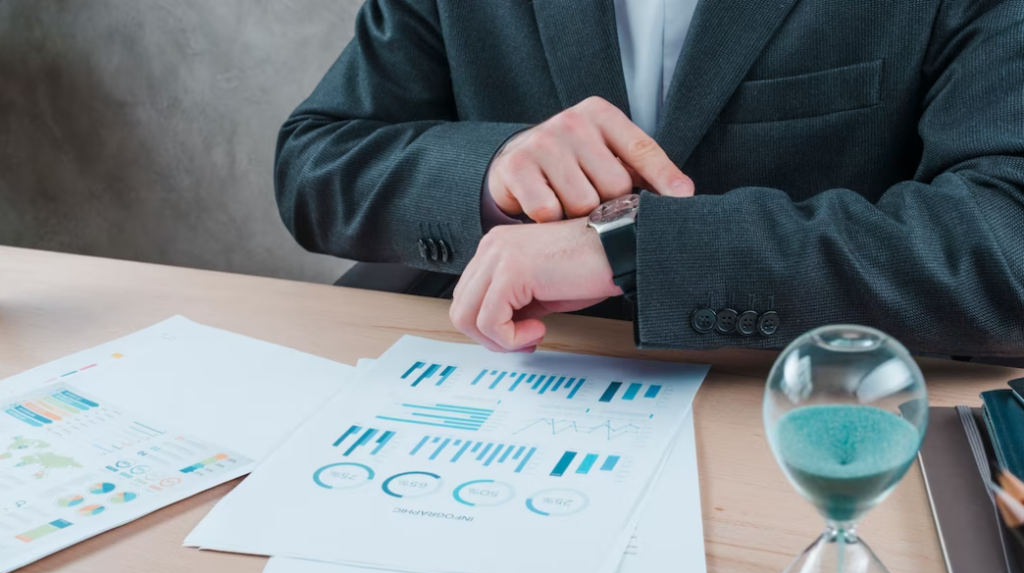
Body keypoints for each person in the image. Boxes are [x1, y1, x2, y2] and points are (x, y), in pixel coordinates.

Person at [274, 0, 1024, 356]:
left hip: (799, 404)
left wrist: (636, 244)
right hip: (504, 379)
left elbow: (1005, 238)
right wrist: (490, 173)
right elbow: (317, 161)